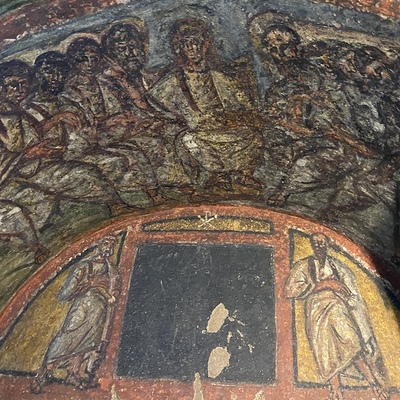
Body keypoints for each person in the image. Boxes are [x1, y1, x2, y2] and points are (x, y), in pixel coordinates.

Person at [150, 18, 264, 194]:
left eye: (196, 42)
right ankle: (218, 175)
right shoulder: (173, 81)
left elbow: (245, 107)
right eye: (187, 44)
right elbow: (160, 110)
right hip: (198, 131)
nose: (192, 48)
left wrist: (231, 119)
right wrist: (187, 120)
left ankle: (243, 174)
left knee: (253, 136)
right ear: (180, 48)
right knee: (189, 141)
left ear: (205, 45)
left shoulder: (220, 77)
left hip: (224, 127)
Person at [284, 233, 390, 400]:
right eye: (315, 243)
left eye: (322, 243)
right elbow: (290, 290)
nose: (318, 246)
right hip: (316, 312)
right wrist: (324, 284)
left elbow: (351, 289)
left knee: (352, 342)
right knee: (325, 349)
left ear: (328, 244)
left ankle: (374, 384)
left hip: (339, 308)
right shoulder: (303, 265)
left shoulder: (338, 266)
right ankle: (336, 389)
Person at [64, 36, 165, 205]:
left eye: (94, 58)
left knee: (153, 138)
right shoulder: (69, 93)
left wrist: (134, 120)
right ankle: (150, 194)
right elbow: (77, 131)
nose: (90, 63)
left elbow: (129, 105)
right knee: (132, 153)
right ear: (74, 62)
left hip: (114, 134)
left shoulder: (103, 82)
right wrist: (108, 123)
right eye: (84, 59)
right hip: (88, 143)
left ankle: (159, 190)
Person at [31, 235, 120, 393]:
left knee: (87, 342)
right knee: (66, 338)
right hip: (82, 310)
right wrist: (89, 283)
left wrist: (113, 294)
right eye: (106, 243)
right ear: (99, 246)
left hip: (99, 312)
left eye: (112, 245)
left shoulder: (111, 269)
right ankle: (44, 374)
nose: (108, 248)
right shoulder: (84, 267)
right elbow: (64, 294)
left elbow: (116, 287)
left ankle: (73, 373)